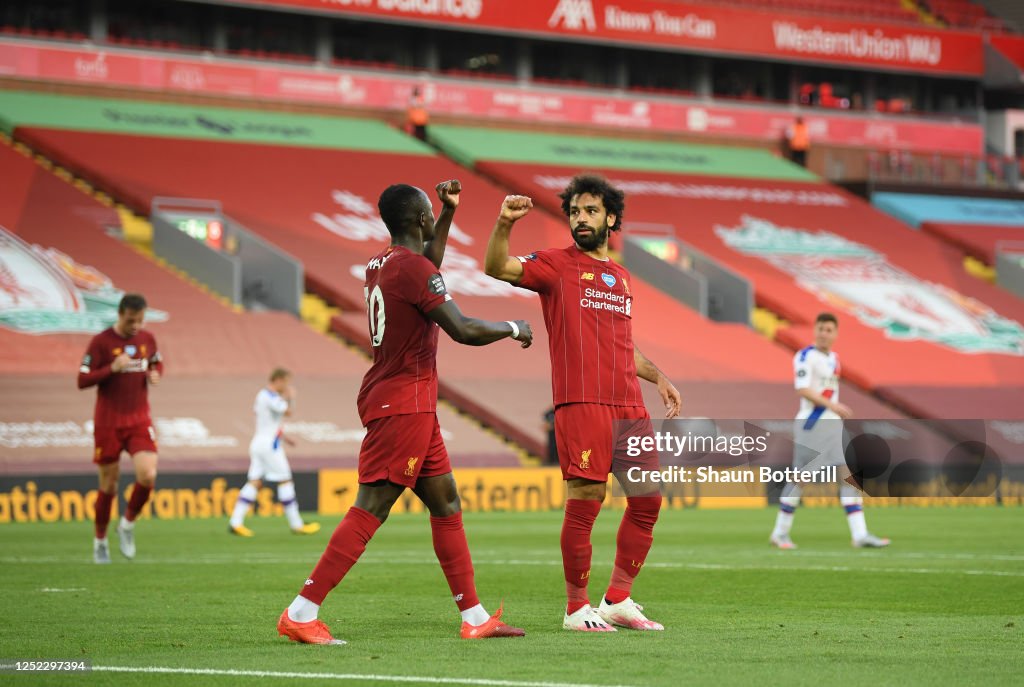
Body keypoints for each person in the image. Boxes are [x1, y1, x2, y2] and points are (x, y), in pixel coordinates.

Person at [276, 180, 532, 645]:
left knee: (446, 502)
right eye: (431, 214)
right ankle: (301, 610)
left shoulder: (382, 264)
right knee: (370, 507)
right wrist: (513, 326)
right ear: (419, 220)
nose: (435, 218)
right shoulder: (411, 268)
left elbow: (425, 263)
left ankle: (474, 617)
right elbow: (463, 329)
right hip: (403, 403)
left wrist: (448, 211)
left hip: (406, 400)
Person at [483, 173, 682, 633]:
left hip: (628, 405)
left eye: (590, 211)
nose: (581, 218)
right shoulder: (555, 265)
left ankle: (618, 599)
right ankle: (576, 608)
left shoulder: (621, 277)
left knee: (647, 502)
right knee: (587, 500)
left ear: (611, 218)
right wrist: (504, 223)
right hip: (582, 403)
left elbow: (622, 346)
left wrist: (659, 377)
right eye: (574, 211)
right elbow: (497, 266)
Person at [769, 312, 890, 550]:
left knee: (848, 476)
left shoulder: (834, 359)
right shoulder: (805, 356)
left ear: (835, 334)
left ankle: (860, 534)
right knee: (800, 478)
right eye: (821, 329)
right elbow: (802, 389)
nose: (824, 333)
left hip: (831, 425)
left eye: (829, 330)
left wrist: (833, 412)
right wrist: (833, 406)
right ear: (815, 330)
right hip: (811, 424)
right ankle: (780, 533)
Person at [77, 293, 163, 564]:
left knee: (148, 475)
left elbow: (156, 361)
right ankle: (100, 541)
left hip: (139, 420)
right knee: (109, 485)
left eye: (140, 320)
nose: (136, 325)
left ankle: (126, 525)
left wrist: (156, 372)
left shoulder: (147, 339)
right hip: (108, 423)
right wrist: (111, 368)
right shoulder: (101, 342)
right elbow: (82, 379)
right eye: (131, 320)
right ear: (120, 314)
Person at [228, 368, 320, 537]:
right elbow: (289, 412)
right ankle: (296, 524)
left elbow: (269, 423)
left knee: (255, 482)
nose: (287, 386)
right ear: (277, 380)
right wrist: (290, 397)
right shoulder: (270, 397)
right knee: (285, 480)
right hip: (269, 446)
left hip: (259, 443)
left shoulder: (262, 396)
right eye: (286, 382)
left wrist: (285, 437)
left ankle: (235, 522)